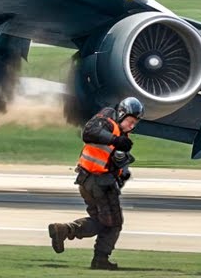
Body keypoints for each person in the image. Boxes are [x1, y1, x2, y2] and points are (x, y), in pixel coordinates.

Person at [48, 96, 144, 271]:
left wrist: (123, 172)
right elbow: (89, 132)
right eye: (130, 121)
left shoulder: (121, 136)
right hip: (99, 182)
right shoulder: (107, 120)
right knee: (113, 224)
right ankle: (99, 259)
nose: (132, 126)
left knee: (101, 221)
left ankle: (64, 230)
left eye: (134, 124)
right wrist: (116, 142)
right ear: (122, 114)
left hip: (89, 181)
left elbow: (114, 160)